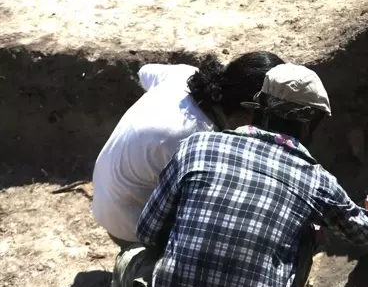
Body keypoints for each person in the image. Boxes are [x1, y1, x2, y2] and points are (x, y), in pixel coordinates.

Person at [111, 63, 368, 287]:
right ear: (310, 125)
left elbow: (148, 232)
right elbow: (367, 232)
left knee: (127, 258)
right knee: (309, 230)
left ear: (258, 107)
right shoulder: (315, 178)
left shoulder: (196, 147)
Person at [92, 52, 285, 249]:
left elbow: (144, 72)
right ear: (248, 111)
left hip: (105, 197)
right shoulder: (200, 142)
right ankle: (140, 264)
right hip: (128, 225)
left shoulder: (185, 75)